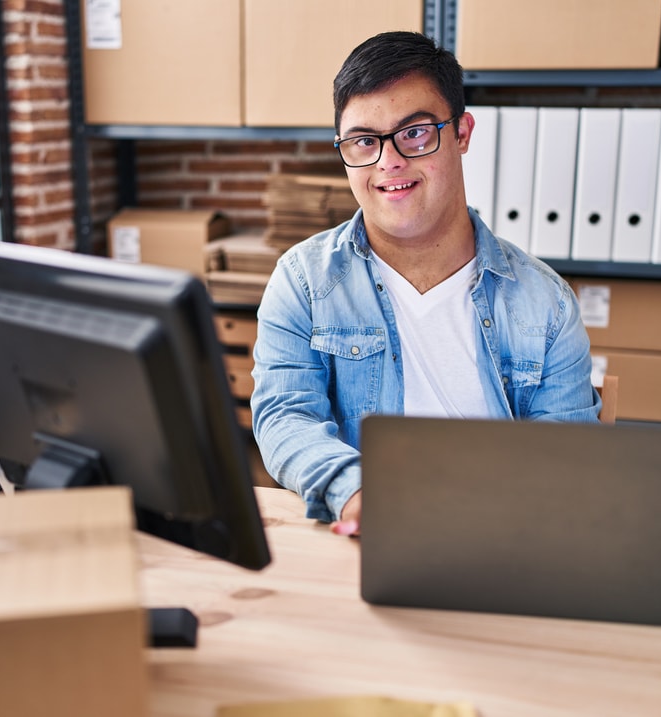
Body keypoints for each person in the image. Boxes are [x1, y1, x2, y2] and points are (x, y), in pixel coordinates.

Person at [250, 31, 600, 537]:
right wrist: (357, 493)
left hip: (503, 543)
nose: (388, 162)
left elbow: (566, 453)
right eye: (364, 141)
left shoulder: (545, 302)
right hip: (361, 542)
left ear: (461, 132)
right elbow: (285, 416)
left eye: (414, 133)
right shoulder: (304, 280)